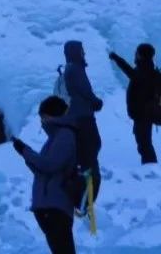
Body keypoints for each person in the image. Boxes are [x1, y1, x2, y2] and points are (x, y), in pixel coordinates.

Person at [11, 96, 79, 254]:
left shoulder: (65, 135)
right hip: (49, 207)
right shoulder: (55, 138)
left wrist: (25, 151)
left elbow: (50, 166)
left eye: (43, 117)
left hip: (56, 206)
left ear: (53, 115)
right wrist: (24, 152)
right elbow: (43, 170)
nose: (41, 122)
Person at [62, 40, 102, 197]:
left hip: (75, 116)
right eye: (81, 51)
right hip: (83, 116)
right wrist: (96, 102)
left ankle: (82, 181)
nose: (84, 53)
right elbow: (85, 90)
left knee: (85, 148)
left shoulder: (69, 69)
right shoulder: (76, 69)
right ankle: (89, 183)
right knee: (92, 145)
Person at [109, 44, 160, 165]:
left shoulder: (143, 71)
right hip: (146, 112)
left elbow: (129, 71)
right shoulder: (149, 69)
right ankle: (150, 166)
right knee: (144, 142)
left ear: (140, 55)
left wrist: (116, 58)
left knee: (144, 143)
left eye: (136, 53)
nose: (135, 55)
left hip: (143, 113)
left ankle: (150, 168)